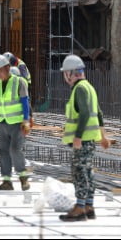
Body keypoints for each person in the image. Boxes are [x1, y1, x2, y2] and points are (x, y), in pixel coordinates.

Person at [59, 55, 110, 222]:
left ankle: (80, 207)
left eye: (66, 73)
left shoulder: (79, 89)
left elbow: (86, 114)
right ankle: (89, 206)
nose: (65, 76)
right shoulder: (89, 87)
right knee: (87, 171)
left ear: (72, 73)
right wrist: (103, 135)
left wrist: (78, 137)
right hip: (90, 139)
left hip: (83, 140)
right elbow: (99, 114)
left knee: (79, 171)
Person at [0, 54, 31, 191]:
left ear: (8, 68)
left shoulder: (19, 82)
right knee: (2, 151)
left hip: (17, 123)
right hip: (3, 122)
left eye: (0, 70)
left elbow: (25, 103)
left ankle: (23, 178)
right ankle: (6, 181)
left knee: (15, 149)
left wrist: (26, 120)